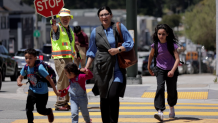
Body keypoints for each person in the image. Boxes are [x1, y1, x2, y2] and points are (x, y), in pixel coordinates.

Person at [85, 6, 134, 123]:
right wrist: (86, 67)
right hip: (101, 69)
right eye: (101, 15)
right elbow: (91, 51)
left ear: (111, 15)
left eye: (106, 14)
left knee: (112, 95)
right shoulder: (95, 32)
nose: (104, 17)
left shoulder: (118, 27)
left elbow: (130, 42)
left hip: (117, 70)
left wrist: (118, 50)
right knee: (104, 97)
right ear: (99, 17)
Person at [17, 48, 61, 123]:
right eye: (26, 58)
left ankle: (49, 111)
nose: (28, 60)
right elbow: (20, 77)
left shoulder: (40, 68)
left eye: (30, 58)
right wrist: (19, 82)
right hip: (32, 91)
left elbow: (50, 80)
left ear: (35, 58)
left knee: (40, 110)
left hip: (42, 93)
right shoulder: (26, 67)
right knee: (28, 108)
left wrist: (56, 92)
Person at [147, 24, 180, 121]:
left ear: (167, 34)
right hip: (160, 69)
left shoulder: (171, 45)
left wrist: (172, 71)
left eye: (163, 34)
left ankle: (171, 106)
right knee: (160, 87)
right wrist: (149, 67)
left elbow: (177, 59)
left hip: (171, 69)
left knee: (171, 90)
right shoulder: (155, 45)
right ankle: (160, 111)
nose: (161, 36)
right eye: (159, 34)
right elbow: (151, 56)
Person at [51, 8, 78, 111]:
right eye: (63, 17)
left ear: (70, 18)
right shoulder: (58, 27)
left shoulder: (69, 29)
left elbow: (71, 45)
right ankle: (60, 103)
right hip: (60, 58)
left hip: (68, 58)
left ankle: (65, 102)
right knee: (62, 80)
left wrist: (77, 53)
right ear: (59, 18)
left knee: (67, 80)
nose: (65, 19)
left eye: (67, 17)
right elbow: (54, 28)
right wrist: (53, 25)